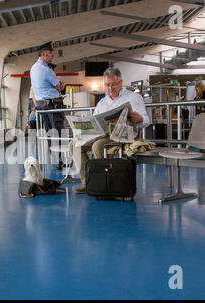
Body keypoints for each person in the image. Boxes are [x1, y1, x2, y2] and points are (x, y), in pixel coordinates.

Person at [69, 67, 150, 194]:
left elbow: (146, 121)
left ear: (121, 83)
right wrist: (84, 131)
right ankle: (88, 183)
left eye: (114, 85)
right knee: (74, 144)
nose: (110, 88)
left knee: (98, 146)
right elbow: (94, 121)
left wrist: (139, 119)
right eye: (107, 85)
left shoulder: (134, 97)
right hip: (103, 134)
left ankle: (105, 183)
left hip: (123, 135)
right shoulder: (102, 102)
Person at [30, 41, 66, 169]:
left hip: (42, 106)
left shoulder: (33, 69)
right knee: (59, 132)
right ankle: (61, 160)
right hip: (53, 106)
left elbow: (35, 90)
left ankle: (56, 159)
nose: (52, 56)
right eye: (51, 53)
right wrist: (62, 85)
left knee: (50, 133)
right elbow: (60, 87)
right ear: (44, 54)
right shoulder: (47, 70)